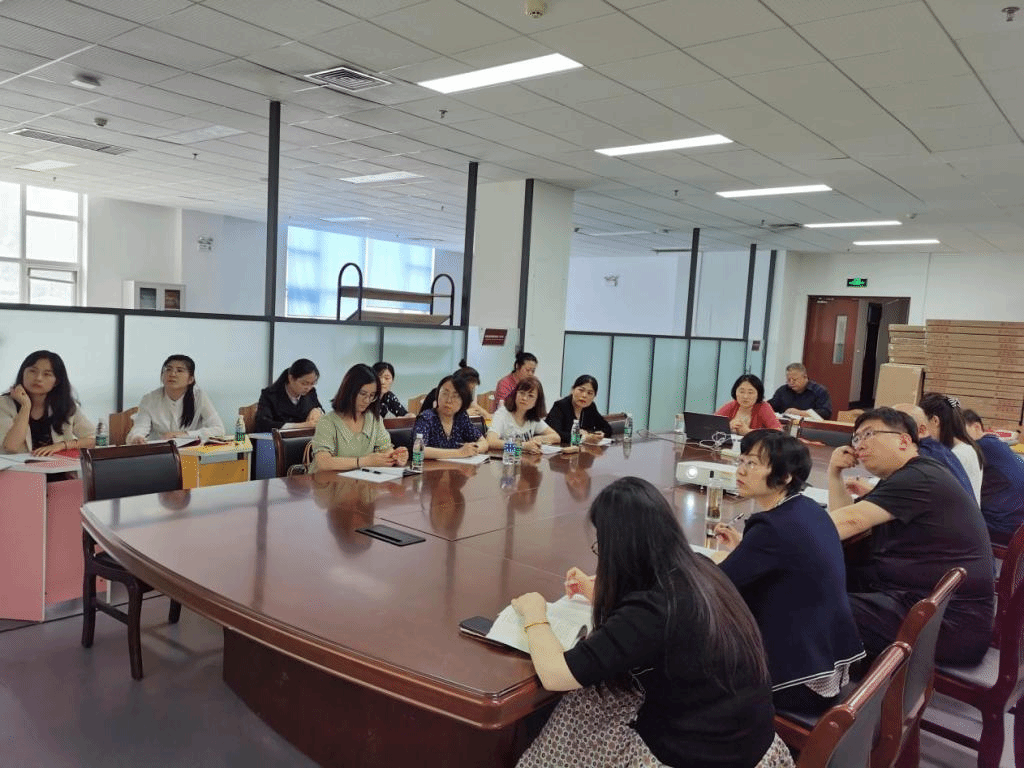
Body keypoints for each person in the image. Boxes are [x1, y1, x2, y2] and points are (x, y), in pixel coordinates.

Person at [510, 477, 787, 768]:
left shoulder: (654, 609)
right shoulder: (698, 568)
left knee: (579, 707)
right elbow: (645, 626)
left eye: (602, 545)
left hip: (697, 756)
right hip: (750, 745)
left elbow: (556, 675)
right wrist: (599, 593)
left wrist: (534, 612)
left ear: (620, 548)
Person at [827, 407, 994, 665]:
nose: (859, 445)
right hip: (929, 606)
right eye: (856, 438)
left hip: (948, 625)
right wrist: (834, 473)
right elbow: (846, 523)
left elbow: (850, 521)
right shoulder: (907, 474)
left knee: (813, 604)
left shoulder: (920, 476)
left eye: (869, 434)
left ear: (904, 441)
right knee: (826, 579)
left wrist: (781, 534)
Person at [714, 431, 865, 714]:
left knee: (693, 651)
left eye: (752, 463)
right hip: (830, 664)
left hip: (799, 682)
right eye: (741, 460)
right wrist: (745, 550)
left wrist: (689, 562)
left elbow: (718, 585)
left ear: (785, 477)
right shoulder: (809, 509)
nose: (741, 470)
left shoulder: (771, 528)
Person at [310, 363, 408, 472]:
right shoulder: (327, 422)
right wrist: (364, 461)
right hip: (326, 481)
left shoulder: (374, 419)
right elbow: (323, 462)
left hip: (360, 480)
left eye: (372, 395)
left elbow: (385, 449)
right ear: (349, 391)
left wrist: (395, 456)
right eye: (363, 394)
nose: (367, 400)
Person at [1, 350, 96, 456]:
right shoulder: (4, 404)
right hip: (17, 466)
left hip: (57, 465)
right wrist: (25, 406)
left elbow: (94, 439)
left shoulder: (66, 405)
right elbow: (11, 447)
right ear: (22, 373)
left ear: (56, 381)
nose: (38, 378)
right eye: (33, 371)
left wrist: (62, 445)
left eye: (47, 374)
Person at [127, 355, 224, 444]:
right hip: (160, 452)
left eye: (179, 370)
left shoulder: (199, 396)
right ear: (162, 375)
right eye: (168, 369)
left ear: (190, 379)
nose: (172, 374)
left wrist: (185, 434)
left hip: (191, 452)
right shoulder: (149, 399)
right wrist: (137, 437)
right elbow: (140, 428)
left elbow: (219, 429)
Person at [963, 409, 1024, 545]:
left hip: (1005, 528)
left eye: (960, 433)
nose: (957, 440)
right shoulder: (996, 444)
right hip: (1017, 525)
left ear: (977, 427)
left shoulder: (980, 447)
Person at [919, 392, 984, 504]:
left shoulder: (956, 454)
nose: (922, 432)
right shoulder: (966, 447)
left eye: (923, 425)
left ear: (935, 421)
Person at [413, 375, 488, 459]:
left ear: (463, 400)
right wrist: (459, 453)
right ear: (437, 395)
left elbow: (483, 442)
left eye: (455, 396)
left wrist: (472, 449)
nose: (448, 400)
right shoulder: (426, 417)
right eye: (445, 394)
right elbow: (419, 450)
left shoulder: (461, 417)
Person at [486, 376, 560, 454]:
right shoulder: (503, 413)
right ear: (515, 394)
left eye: (530, 396)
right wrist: (521, 446)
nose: (524, 398)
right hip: (505, 459)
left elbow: (556, 437)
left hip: (525, 459)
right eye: (521, 393)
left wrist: (538, 439)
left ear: (536, 402)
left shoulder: (533, 417)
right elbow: (490, 442)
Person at [254, 358, 324, 432]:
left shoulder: (311, 392)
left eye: (312, 383)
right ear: (291, 378)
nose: (308, 388)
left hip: (304, 437)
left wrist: (318, 411)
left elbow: (321, 410)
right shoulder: (270, 394)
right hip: (276, 438)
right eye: (304, 383)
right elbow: (263, 424)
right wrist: (301, 426)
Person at [545, 374, 612, 444]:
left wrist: (597, 434)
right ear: (572, 390)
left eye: (589, 393)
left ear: (594, 396)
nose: (584, 395)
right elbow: (555, 434)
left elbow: (607, 428)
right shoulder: (560, 406)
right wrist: (584, 438)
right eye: (581, 390)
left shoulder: (590, 407)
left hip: (583, 448)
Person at [715, 374, 782, 435]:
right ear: (735, 392)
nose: (745, 396)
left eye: (750, 392)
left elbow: (778, 432)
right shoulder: (732, 405)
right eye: (741, 392)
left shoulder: (763, 407)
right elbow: (712, 424)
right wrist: (727, 427)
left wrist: (749, 432)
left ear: (758, 394)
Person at [421, 360, 489, 420]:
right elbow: (442, 416)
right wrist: (465, 414)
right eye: (469, 389)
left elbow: (473, 405)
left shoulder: (462, 394)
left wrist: (486, 415)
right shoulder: (441, 394)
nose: (469, 392)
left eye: (472, 389)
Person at [768, 363, 832, 420]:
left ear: (805, 377)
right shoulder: (783, 390)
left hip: (810, 427)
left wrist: (800, 413)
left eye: (794, 379)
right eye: (788, 380)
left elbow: (826, 413)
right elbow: (770, 407)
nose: (791, 382)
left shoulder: (819, 391)